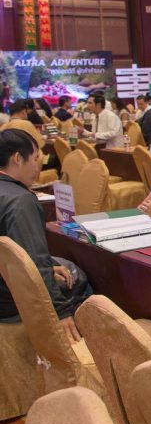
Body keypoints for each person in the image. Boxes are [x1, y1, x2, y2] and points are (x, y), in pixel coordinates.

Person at [0, 129, 90, 338]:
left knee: (58, 265)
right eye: (35, 159)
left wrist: (48, 266)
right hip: (10, 301)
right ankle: (84, 338)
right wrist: (60, 311)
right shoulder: (21, 201)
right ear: (17, 158)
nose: (37, 167)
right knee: (77, 274)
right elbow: (34, 262)